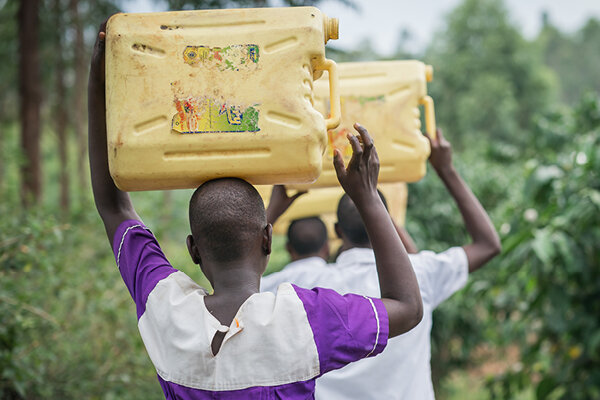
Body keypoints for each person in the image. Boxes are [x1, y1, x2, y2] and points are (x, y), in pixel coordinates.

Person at [88, 22, 423, 399]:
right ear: (267, 239)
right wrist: (367, 197)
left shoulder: (165, 310)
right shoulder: (306, 320)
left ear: (194, 249)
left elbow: (113, 206)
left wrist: (103, 74)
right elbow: (408, 308)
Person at [264, 128, 502, 399]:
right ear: (387, 224)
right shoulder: (421, 274)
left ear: (338, 232)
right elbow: (488, 244)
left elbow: (234, 283)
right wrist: (445, 169)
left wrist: (271, 212)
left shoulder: (303, 285)